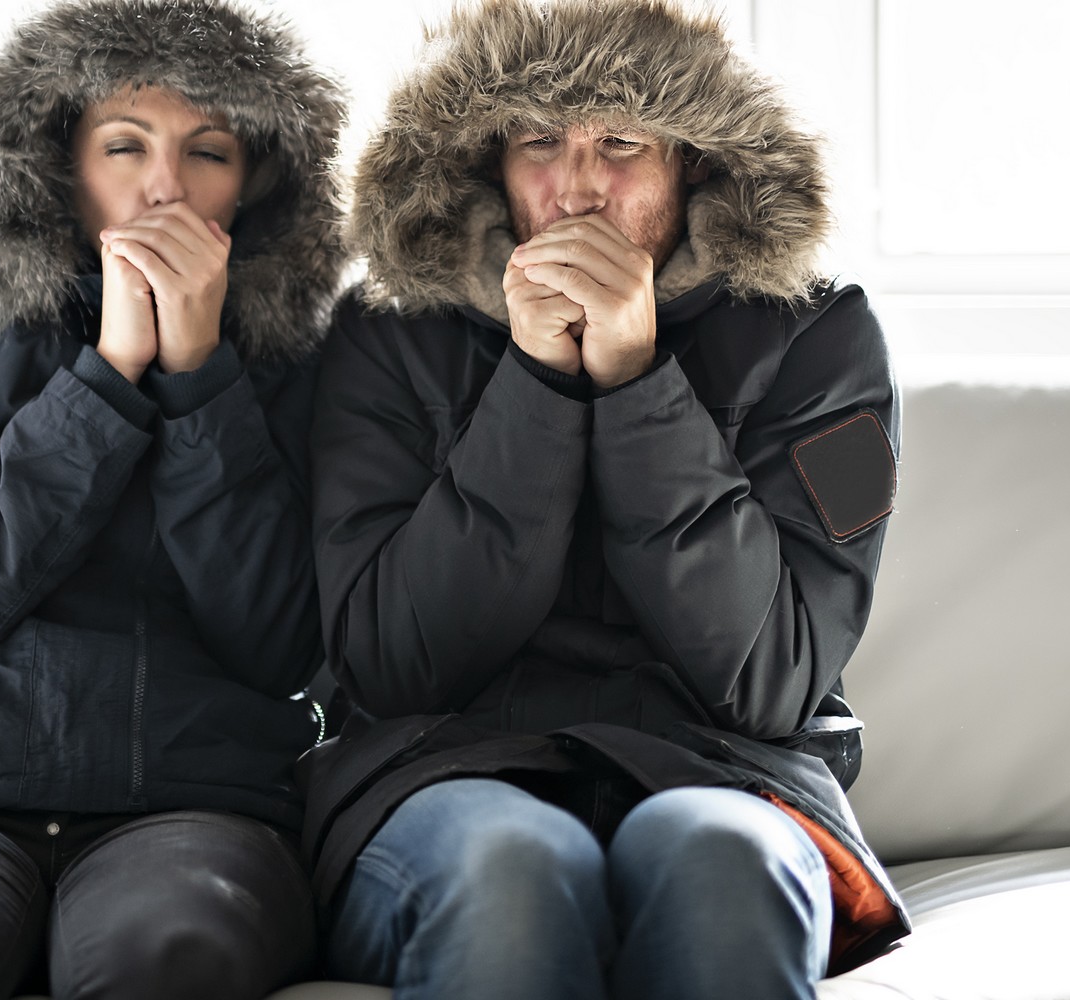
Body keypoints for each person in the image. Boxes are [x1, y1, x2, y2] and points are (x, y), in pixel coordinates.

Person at [305, 2, 912, 998]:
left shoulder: (828, 342)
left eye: (621, 141)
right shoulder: (382, 334)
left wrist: (635, 382)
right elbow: (389, 663)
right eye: (538, 139)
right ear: (486, 164)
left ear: (694, 162)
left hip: (727, 772)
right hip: (438, 774)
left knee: (721, 862)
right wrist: (534, 387)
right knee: (511, 872)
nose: (578, 184)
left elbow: (772, 679)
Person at [0, 2, 345, 998]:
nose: (163, 185)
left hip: (194, 798)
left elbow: (280, 640)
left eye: (206, 152)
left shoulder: (306, 335)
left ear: (255, 180)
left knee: (169, 963)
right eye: (123, 145)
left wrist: (200, 373)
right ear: (57, 158)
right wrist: (108, 372)